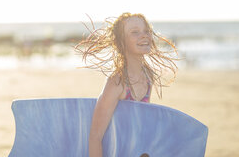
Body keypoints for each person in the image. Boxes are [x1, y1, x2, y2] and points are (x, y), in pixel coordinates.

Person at [75, 12, 179, 157]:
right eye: (135, 32)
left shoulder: (149, 76)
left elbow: (140, 124)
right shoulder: (117, 82)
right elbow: (95, 136)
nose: (144, 35)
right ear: (121, 43)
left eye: (146, 31)